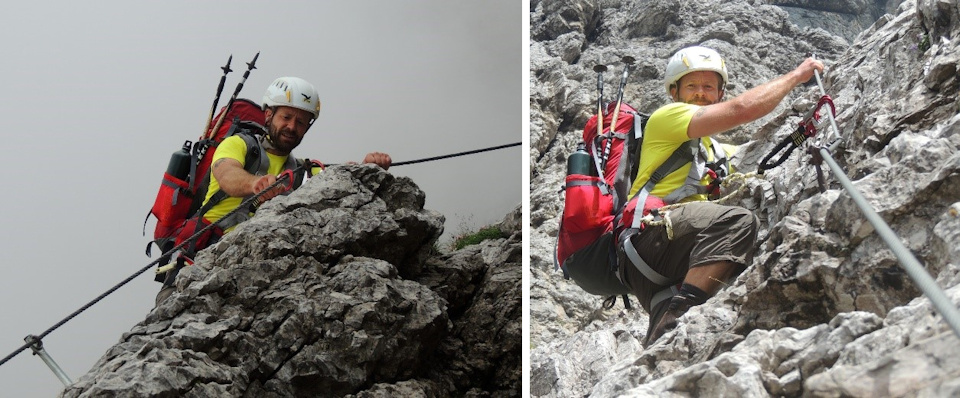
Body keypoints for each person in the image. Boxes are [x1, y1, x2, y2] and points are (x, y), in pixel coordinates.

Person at [617, 46, 824, 347]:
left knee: (667, 344)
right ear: (674, 92)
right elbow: (741, 110)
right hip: (650, 236)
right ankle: (681, 316)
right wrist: (797, 76)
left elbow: (762, 154)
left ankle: (661, 349)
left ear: (719, 93)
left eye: (708, 87)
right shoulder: (667, 118)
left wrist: (805, 131)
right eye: (692, 85)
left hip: (657, 267)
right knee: (738, 223)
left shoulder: (716, 152)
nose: (700, 93)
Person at [156, 76, 392, 305]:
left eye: (301, 122)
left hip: (253, 267)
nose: (292, 126)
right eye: (286, 117)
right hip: (199, 257)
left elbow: (338, 180)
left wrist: (367, 168)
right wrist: (254, 184)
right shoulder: (238, 144)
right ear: (268, 115)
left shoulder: (301, 171)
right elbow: (226, 173)